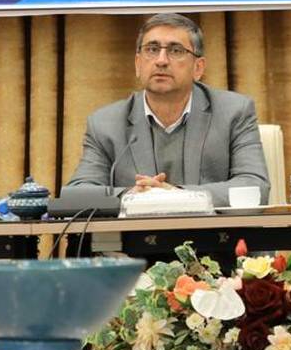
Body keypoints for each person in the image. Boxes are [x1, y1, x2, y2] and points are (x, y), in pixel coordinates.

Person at [65, 13, 270, 207]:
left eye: (176, 51)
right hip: (137, 233)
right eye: (152, 49)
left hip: (212, 232)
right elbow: (77, 195)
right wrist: (131, 196)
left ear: (198, 68)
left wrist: (177, 195)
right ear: (138, 64)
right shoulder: (105, 124)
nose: (161, 60)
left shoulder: (233, 112)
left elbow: (255, 187)